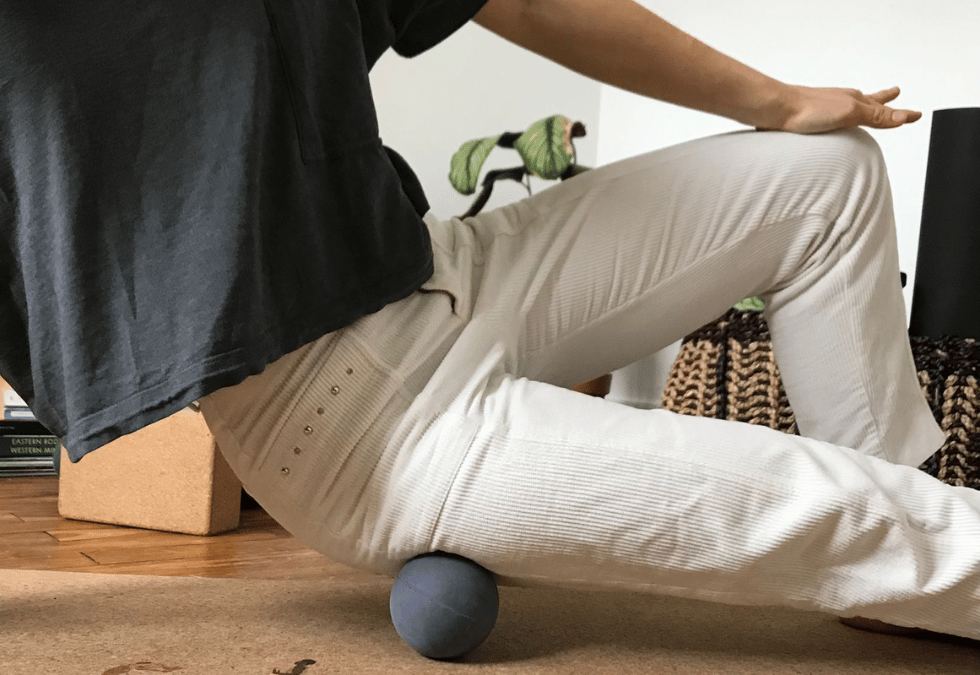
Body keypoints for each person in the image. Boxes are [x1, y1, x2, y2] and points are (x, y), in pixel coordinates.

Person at [1, 0, 977, 641]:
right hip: (352, 423)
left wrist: (778, 101)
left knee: (825, 174)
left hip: (449, 268)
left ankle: (892, 577)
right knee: (851, 513)